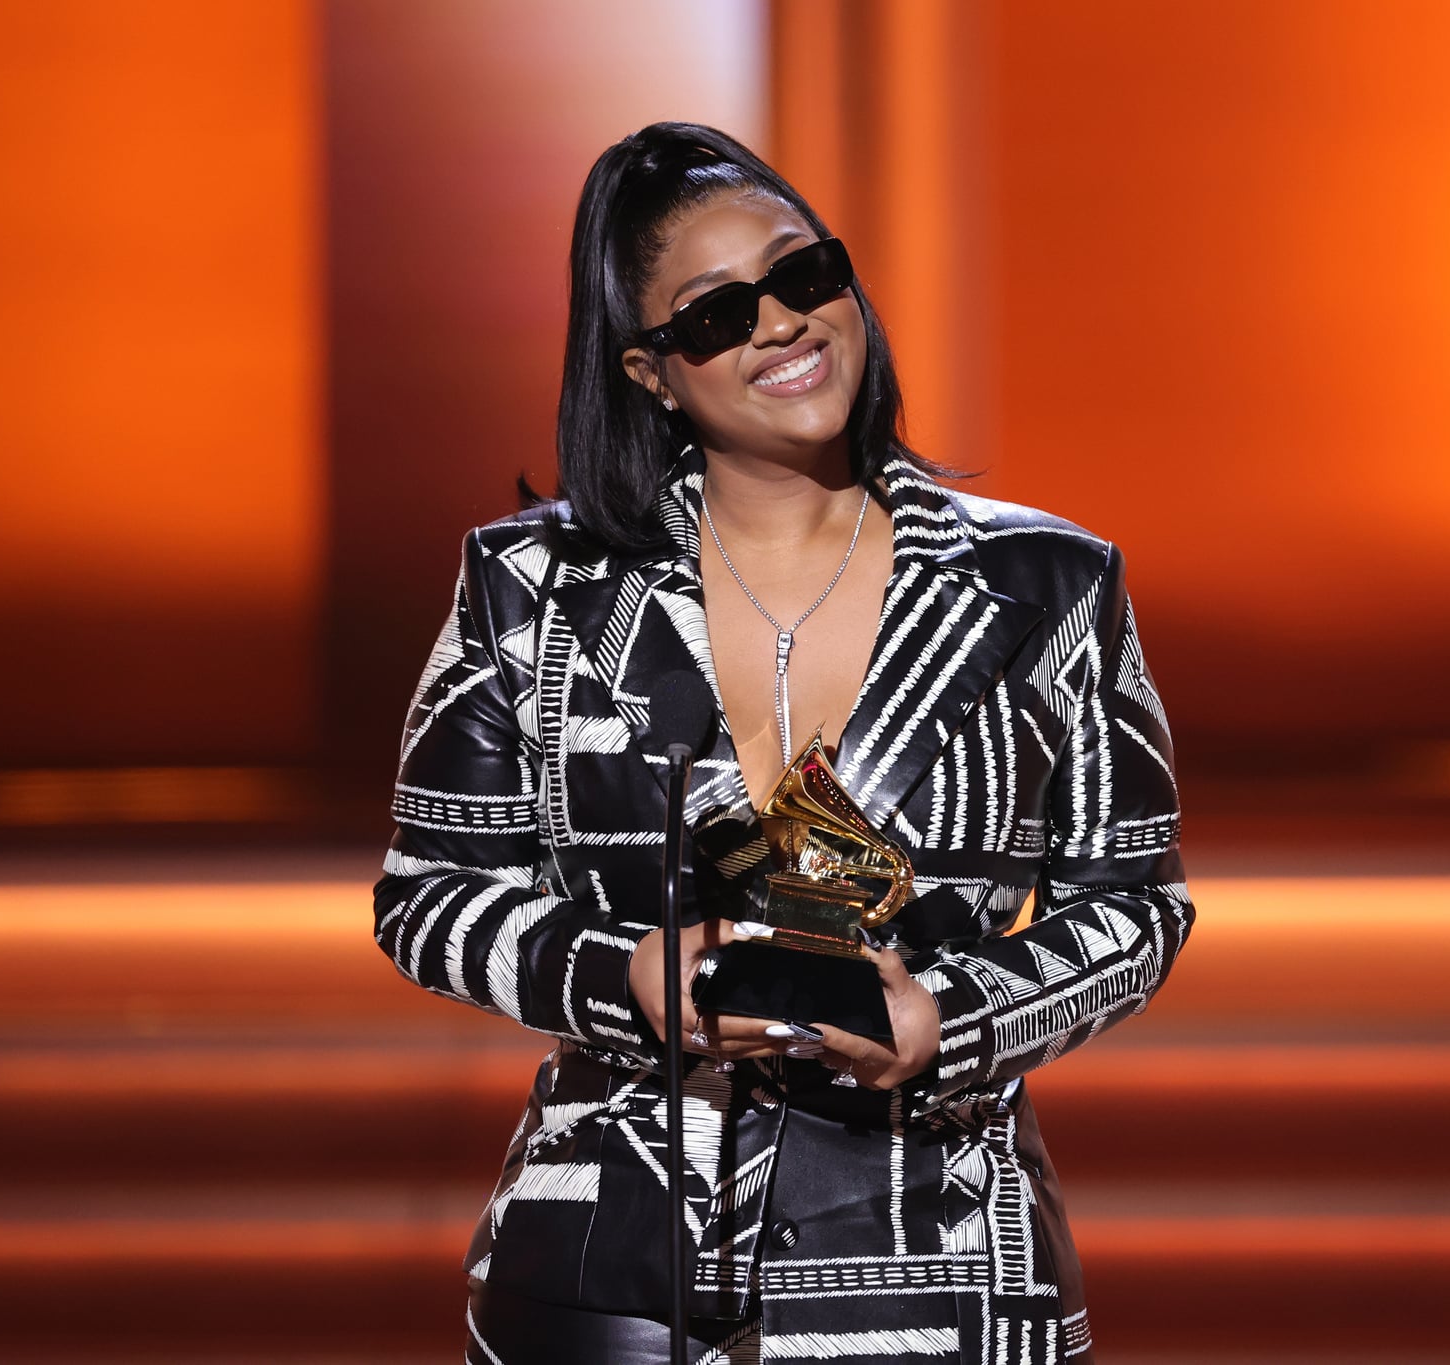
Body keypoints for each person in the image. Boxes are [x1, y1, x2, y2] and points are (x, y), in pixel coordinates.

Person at [372, 122, 1193, 1365]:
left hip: (941, 1252)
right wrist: (624, 978)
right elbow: (427, 898)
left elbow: (1135, 907)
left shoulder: (1043, 586)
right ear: (649, 372)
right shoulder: (536, 589)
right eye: (715, 316)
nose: (781, 325)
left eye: (805, 277)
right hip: (610, 1270)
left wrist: (953, 1017)